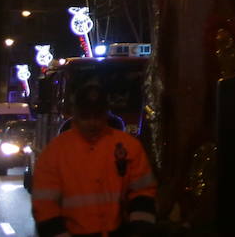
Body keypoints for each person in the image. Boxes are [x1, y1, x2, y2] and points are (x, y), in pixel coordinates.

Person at [32, 84, 157, 237]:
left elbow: (143, 192)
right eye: (86, 116)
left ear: (106, 114)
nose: (92, 122)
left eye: (97, 115)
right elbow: (45, 207)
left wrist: (140, 231)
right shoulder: (55, 152)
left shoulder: (128, 146)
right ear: (75, 114)